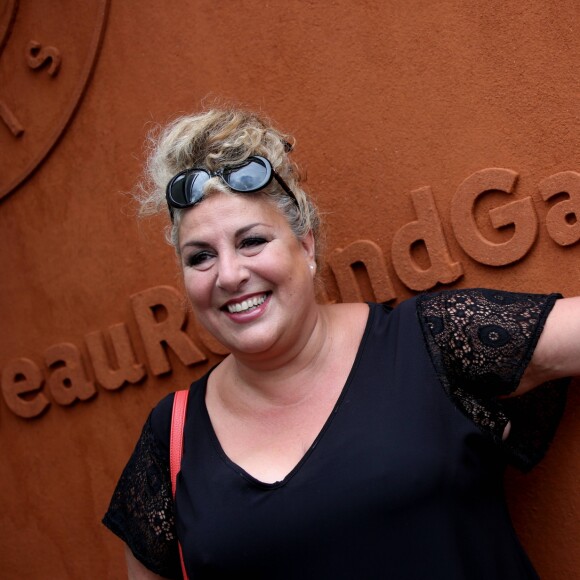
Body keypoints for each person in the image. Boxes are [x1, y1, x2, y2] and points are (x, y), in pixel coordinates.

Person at [103, 106, 580, 579]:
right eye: (201, 256)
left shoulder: (429, 342)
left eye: (251, 241)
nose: (229, 275)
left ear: (305, 244)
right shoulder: (172, 437)